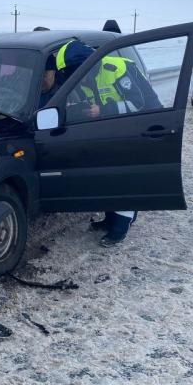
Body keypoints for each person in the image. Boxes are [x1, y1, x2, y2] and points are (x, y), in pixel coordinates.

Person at [53, 39, 161, 245]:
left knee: (124, 180)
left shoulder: (117, 68)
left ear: (85, 66)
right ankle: (111, 219)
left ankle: (120, 228)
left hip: (143, 126)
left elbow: (138, 103)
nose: (72, 80)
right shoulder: (84, 77)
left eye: (72, 74)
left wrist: (102, 111)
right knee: (109, 178)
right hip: (116, 129)